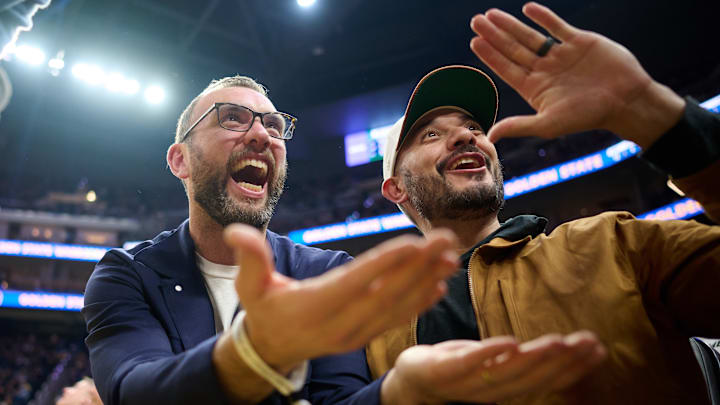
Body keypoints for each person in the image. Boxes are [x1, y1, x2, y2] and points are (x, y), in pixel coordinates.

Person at [83, 72, 603, 404]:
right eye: (233, 119)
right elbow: (132, 390)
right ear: (180, 161)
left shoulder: (324, 271)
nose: (262, 134)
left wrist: (400, 391)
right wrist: (256, 350)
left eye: (272, 124)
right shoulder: (126, 274)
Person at [368, 2, 720, 404]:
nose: (467, 137)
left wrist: (649, 110)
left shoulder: (614, 245)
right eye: (431, 135)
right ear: (396, 188)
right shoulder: (374, 329)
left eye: (473, 127)